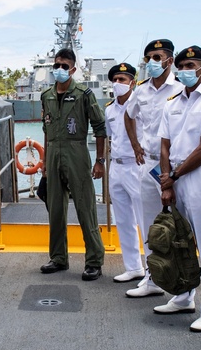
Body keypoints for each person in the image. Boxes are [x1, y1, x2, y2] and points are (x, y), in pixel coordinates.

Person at [157, 45, 201, 332]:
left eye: (191, 65)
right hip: (173, 177)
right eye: (182, 65)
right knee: (179, 241)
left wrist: (172, 175)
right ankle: (184, 296)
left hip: (195, 178)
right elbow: (164, 144)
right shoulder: (171, 102)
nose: (185, 70)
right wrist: (166, 179)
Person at [124, 39, 187, 301]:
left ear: (169, 61)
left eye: (157, 57)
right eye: (148, 57)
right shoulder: (141, 90)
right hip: (148, 163)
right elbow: (129, 115)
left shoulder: (182, 88)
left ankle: (183, 285)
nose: (151, 62)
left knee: (179, 228)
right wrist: (135, 145)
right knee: (149, 226)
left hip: (175, 167)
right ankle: (153, 278)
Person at [38, 47, 106, 280]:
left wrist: (99, 161)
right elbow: (47, 131)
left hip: (77, 153)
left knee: (85, 209)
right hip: (54, 153)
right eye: (56, 65)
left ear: (73, 69)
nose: (59, 69)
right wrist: (45, 163)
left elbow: (100, 128)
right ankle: (58, 258)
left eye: (64, 66)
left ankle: (94, 261)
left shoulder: (84, 94)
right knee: (55, 210)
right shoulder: (46, 95)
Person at [103, 62, 146, 283]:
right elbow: (110, 137)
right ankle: (133, 267)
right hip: (116, 166)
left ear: (132, 82)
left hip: (136, 166)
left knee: (144, 218)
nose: (118, 83)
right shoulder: (109, 108)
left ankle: (152, 271)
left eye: (123, 79)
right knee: (123, 219)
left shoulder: (140, 104)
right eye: (115, 80)